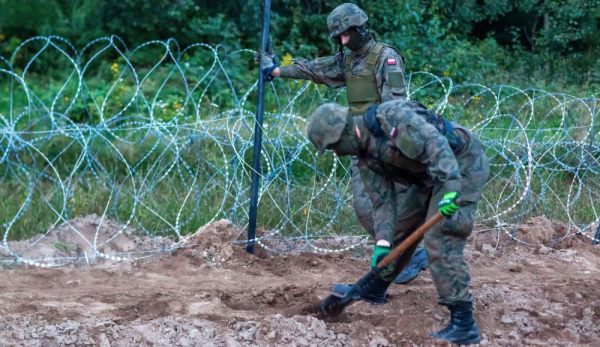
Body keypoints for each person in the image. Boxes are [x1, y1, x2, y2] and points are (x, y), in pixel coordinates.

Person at [256, 2, 429, 286]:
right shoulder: (347, 61)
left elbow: (396, 108)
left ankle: (411, 255)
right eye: (339, 38)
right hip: (360, 145)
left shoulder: (386, 58)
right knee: (365, 206)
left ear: (360, 28)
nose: (344, 41)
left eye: (347, 35)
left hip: (387, 146)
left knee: (391, 205)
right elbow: (314, 69)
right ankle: (409, 254)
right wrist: (275, 70)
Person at [306, 100, 489, 346]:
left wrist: (452, 188)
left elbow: (436, 146)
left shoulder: (391, 117)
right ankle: (375, 287)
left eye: (334, 146)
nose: (336, 153)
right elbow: (383, 204)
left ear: (347, 132)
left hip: (460, 166)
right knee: (400, 228)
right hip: (429, 177)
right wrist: (382, 245)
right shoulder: (365, 159)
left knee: (441, 236)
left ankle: (464, 322)